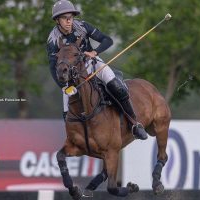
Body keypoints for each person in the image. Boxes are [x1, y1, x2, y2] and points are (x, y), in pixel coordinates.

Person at [46, 0, 148, 140]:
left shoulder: (82, 26)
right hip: (72, 75)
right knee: (66, 108)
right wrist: (63, 86)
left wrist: (95, 52)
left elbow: (108, 40)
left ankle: (134, 124)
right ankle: (73, 139)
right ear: (57, 20)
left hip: (91, 64)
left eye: (71, 17)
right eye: (65, 18)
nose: (69, 21)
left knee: (116, 86)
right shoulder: (53, 40)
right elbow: (53, 66)